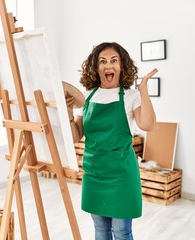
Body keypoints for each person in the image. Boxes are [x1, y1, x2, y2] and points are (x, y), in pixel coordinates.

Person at [66, 42, 157, 240]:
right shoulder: (88, 96)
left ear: (122, 66)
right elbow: (76, 135)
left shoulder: (131, 96)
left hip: (121, 174)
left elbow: (147, 124)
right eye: (103, 61)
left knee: (122, 231)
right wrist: (68, 114)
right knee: (100, 230)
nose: (109, 66)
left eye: (114, 61)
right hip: (94, 172)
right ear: (95, 67)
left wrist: (143, 91)